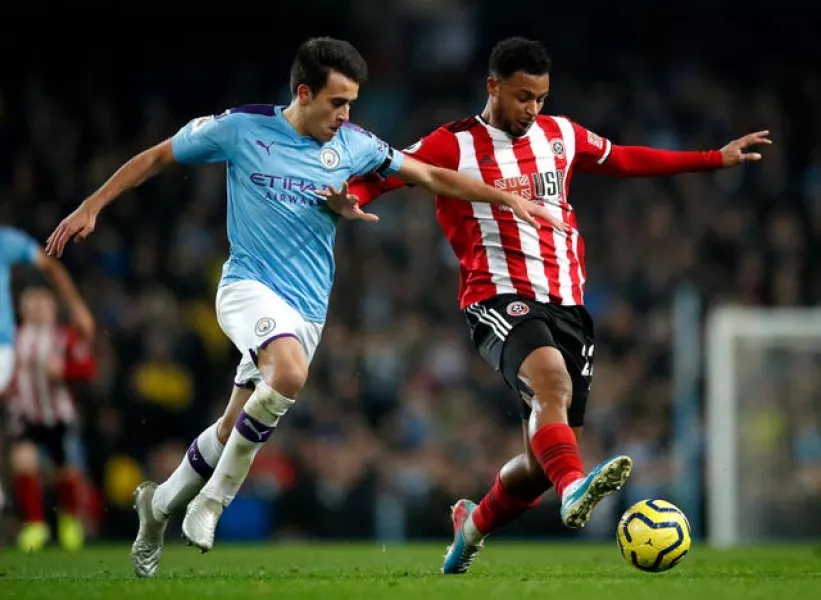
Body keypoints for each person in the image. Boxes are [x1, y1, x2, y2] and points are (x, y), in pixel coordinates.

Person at [44, 37, 562, 577]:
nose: (344, 115)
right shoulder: (240, 129)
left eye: (351, 105)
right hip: (246, 287)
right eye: (336, 103)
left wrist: (507, 198)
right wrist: (92, 205)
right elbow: (158, 156)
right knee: (288, 374)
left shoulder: (356, 145)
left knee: (230, 428)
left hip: (307, 310)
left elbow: (428, 175)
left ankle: (157, 510)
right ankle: (214, 502)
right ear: (304, 92)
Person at [338, 37, 771, 575]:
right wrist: (350, 197)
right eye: (522, 97)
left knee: (541, 459)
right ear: (492, 86)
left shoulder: (560, 134)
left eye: (540, 97)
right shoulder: (453, 144)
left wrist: (713, 158)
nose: (531, 109)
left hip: (568, 306)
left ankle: (471, 525)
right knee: (552, 386)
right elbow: (387, 174)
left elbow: (625, 158)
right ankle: (574, 493)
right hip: (498, 297)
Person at [6, 287, 96, 552]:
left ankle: (69, 518)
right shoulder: (14, 337)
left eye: (42, 305)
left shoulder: (64, 336)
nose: (37, 309)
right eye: (31, 305)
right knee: (23, 462)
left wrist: (65, 371)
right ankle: (36, 524)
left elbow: (87, 368)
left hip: (57, 415)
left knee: (63, 472)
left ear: (53, 308)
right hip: (26, 416)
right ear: (22, 310)